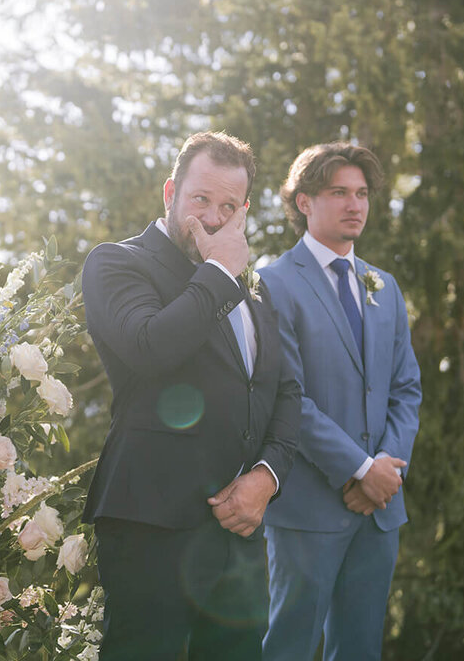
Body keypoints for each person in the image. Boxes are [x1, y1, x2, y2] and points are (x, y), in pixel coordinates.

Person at [81, 130, 301, 661]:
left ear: (244, 210)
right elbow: (150, 346)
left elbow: (287, 392)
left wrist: (266, 478)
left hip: (239, 534)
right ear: (170, 193)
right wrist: (220, 271)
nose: (214, 218)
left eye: (229, 206)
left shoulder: (255, 288)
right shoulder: (117, 263)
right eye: (201, 200)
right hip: (150, 523)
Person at [258, 141, 422, 661]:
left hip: (379, 512)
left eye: (362, 193)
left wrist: (384, 475)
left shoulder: (385, 287)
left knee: (360, 651)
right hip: (307, 509)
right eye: (338, 193)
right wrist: (357, 469)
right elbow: (288, 399)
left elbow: (405, 389)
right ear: (304, 202)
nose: (355, 205)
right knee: (289, 648)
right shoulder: (273, 283)